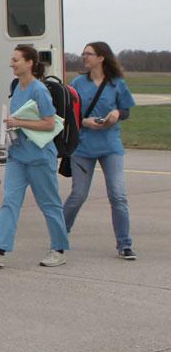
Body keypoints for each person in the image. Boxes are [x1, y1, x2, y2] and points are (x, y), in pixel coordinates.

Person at [0, 45, 70, 268]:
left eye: (16, 60)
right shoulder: (17, 86)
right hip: (17, 156)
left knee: (49, 204)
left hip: (39, 158)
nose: (12, 63)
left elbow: (49, 123)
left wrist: (19, 123)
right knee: (9, 202)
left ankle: (58, 249)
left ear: (29, 63)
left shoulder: (40, 90)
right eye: (12, 59)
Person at [63, 42, 137, 260]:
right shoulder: (77, 83)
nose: (84, 57)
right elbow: (69, 115)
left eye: (89, 54)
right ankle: (59, 235)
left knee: (118, 195)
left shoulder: (117, 83)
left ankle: (124, 244)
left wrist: (116, 113)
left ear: (101, 58)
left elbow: (126, 111)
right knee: (78, 195)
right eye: (84, 53)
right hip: (83, 147)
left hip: (110, 146)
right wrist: (84, 122)